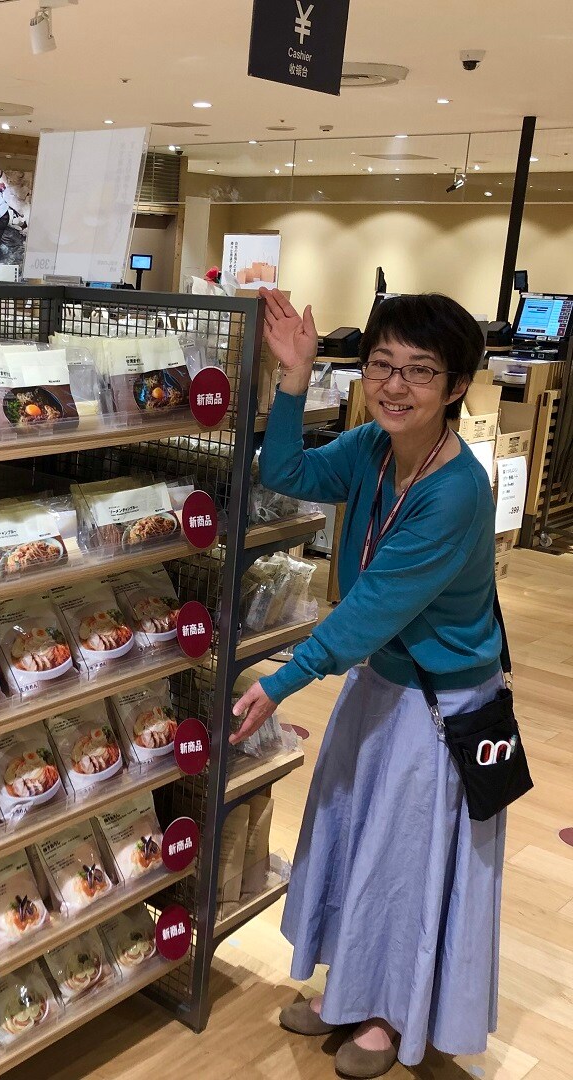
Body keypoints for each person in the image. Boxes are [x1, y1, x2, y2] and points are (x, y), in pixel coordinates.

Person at [231, 289, 505, 1078]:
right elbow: (284, 469)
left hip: (443, 704)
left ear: (456, 387)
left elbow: (372, 609)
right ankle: (350, 986)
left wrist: (282, 681)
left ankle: (389, 1012)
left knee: (405, 859)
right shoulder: (371, 449)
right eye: (382, 364)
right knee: (355, 837)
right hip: (385, 682)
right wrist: (293, 380)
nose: (395, 384)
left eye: (420, 370)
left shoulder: (456, 491)